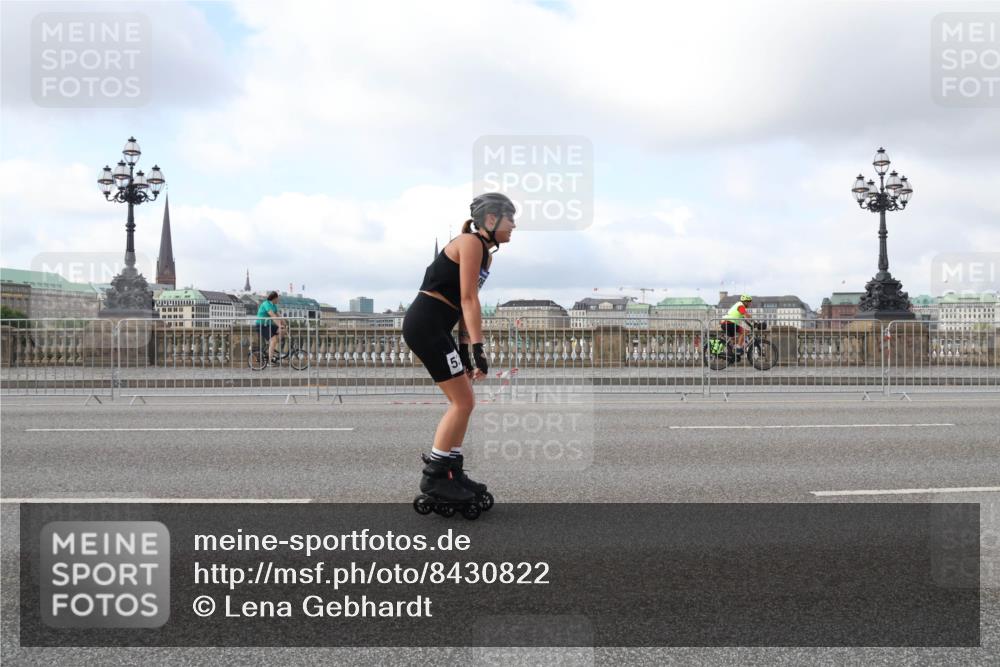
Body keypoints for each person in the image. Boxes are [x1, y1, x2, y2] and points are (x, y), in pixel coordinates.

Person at [404, 193, 516, 519]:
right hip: (426, 323)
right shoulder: (469, 243)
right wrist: (479, 350)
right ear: (491, 220)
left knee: (465, 401)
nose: (515, 225)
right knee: (463, 402)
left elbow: (466, 306)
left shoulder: (486, 256)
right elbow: (468, 299)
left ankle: (451, 470)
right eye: (510, 218)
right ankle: (436, 477)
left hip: (439, 325)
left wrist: (467, 351)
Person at [255, 291, 286, 364]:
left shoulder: (274, 305)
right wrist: (279, 325)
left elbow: (279, 316)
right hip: (261, 325)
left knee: (283, 331)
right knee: (274, 340)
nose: (278, 300)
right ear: (274, 298)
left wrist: (285, 324)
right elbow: (273, 315)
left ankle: (271, 347)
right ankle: (269, 360)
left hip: (268, 325)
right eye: (278, 298)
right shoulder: (266, 304)